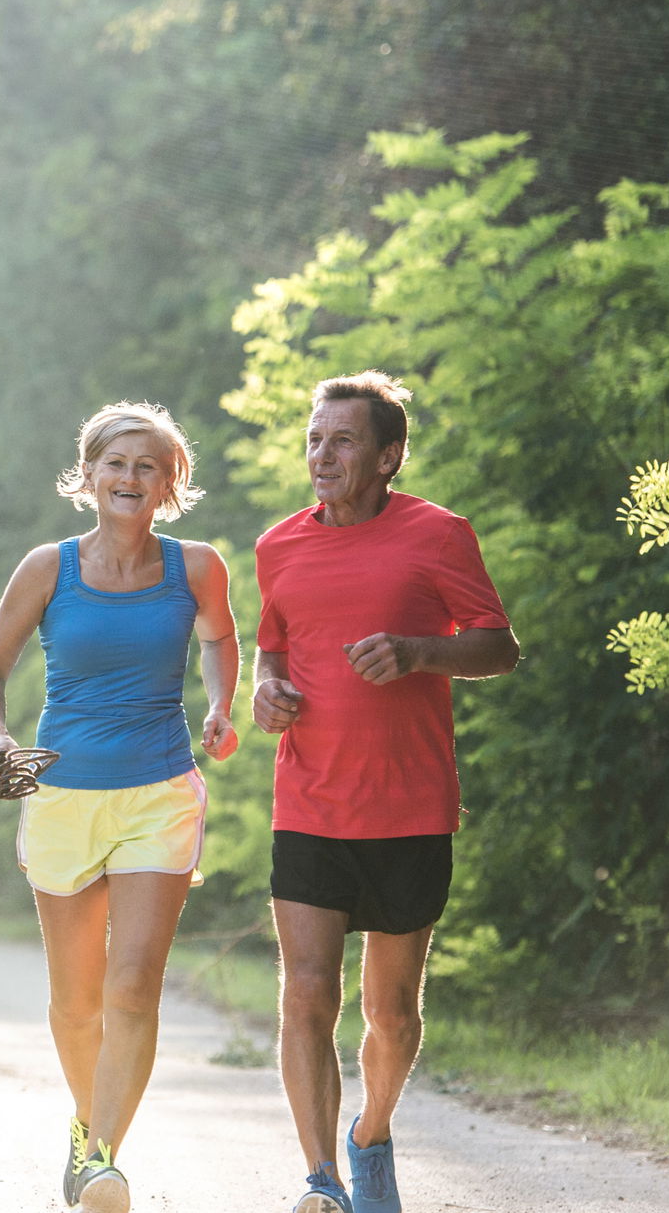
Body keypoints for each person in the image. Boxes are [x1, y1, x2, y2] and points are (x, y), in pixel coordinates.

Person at [251, 371, 519, 1213]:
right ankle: (321, 1179)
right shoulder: (277, 546)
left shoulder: (439, 535)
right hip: (310, 801)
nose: (322, 455)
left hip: (408, 806)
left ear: (388, 454)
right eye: (314, 439)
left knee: (393, 1015)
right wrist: (265, 689)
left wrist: (417, 651)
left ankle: (371, 1134)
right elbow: (273, 647)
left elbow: (499, 647)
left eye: (342, 440)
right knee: (305, 991)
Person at [0, 401, 241, 1213]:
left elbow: (221, 638)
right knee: (76, 1001)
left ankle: (103, 1161)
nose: (129, 478)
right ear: (87, 476)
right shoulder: (47, 568)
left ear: (169, 482)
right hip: (61, 797)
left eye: (146, 466)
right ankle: (87, 1129)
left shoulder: (196, 566)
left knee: (133, 986)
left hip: (159, 793)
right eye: (115, 464)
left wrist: (220, 703)